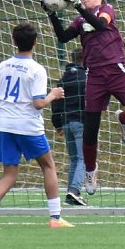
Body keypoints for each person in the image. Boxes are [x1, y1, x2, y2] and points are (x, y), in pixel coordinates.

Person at [42, 0, 125, 195]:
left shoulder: (106, 9)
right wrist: (52, 14)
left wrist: (79, 6)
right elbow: (63, 37)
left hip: (115, 70)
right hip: (94, 76)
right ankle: (90, 169)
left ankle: (121, 118)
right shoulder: (80, 21)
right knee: (90, 130)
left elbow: (100, 24)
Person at [0, 22, 73, 230]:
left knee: (9, 174)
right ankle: (55, 218)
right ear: (35, 43)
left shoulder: (3, 65)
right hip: (28, 126)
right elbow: (38, 103)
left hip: (6, 125)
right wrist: (53, 95)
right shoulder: (37, 69)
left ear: (14, 42)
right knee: (48, 166)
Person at [51, 48, 88, 206]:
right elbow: (89, 100)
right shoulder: (86, 78)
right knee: (83, 158)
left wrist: (57, 124)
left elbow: (56, 102)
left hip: (66, 123)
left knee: (74, 159)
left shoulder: (63, 79)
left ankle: (70, 194)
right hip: (81, 121)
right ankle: (74, 190)